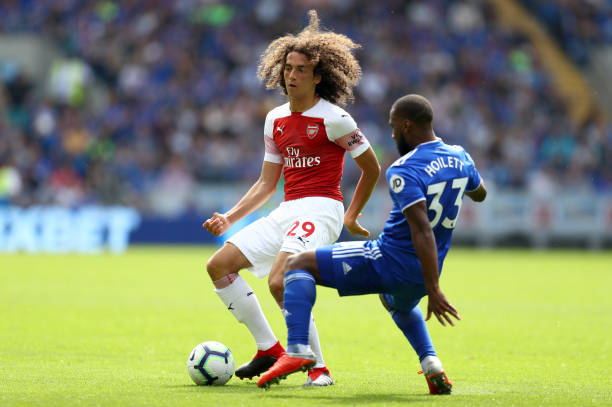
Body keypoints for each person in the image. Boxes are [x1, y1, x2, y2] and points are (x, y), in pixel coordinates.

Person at [257, 94, 487, 394]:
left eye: (393, 128)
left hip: (388, 260)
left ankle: (299, 348)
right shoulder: (460, 157)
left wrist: (435, 290)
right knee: (395, 302)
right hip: (425, 269)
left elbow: (421, 231)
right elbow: (479, 194)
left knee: (296, 264)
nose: (392, 135)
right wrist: (431, 282)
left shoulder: (404, 169)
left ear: (406, 125)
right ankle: (431, 363)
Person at [203, 10, 380, 386]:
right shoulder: (275, 119)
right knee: (219, 265)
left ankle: (319, 368)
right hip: (288, 209)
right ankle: (270, 348)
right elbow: (268, 182)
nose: (292, 75)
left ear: (318, 77)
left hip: (323, 209)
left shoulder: (335, 119)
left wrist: (351, 216)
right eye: (288, 68)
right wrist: (230, 218)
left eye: (301, 69)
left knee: (280, 281)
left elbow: (372, 168)